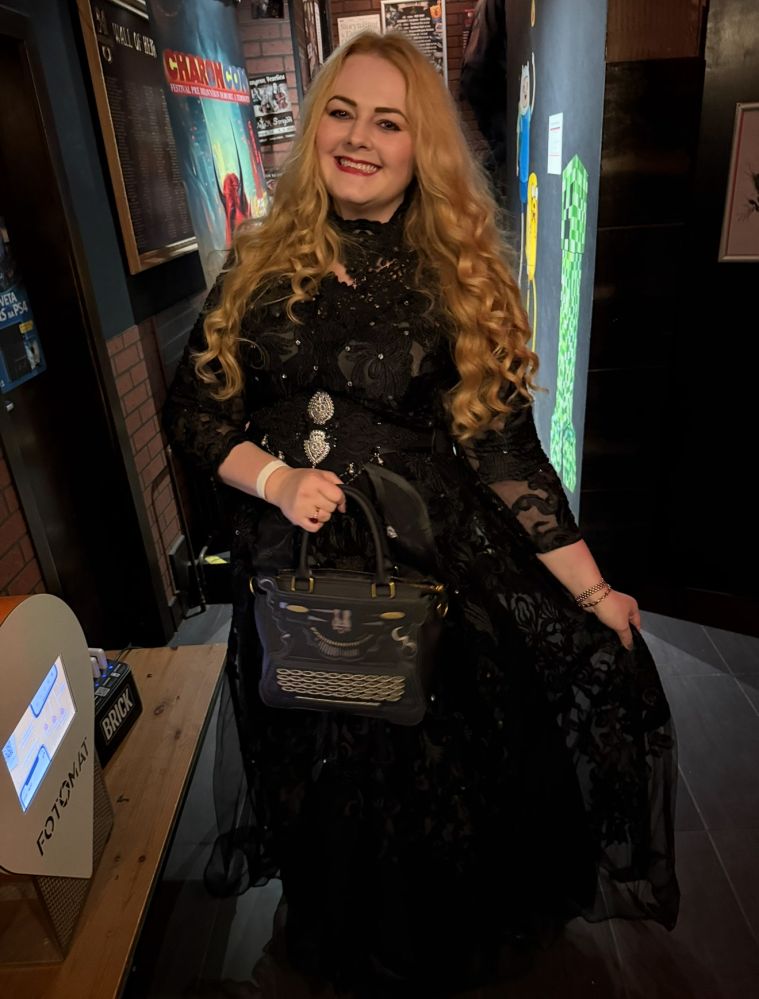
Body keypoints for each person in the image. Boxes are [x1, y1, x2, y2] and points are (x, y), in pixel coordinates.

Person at [164, 31, 679, 997]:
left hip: (430, 585)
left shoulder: (455, 274)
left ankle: (417, 951)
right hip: (298, 587)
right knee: (320, 775)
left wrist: (592, 590)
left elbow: (504, 451)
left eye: (388, 123)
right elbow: (194, 411)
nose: (358, 138)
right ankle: (333, 937)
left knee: (422, 784)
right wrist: (274, 480)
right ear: (315, 128)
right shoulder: (258, 263)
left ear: (421, 148)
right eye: (341, 113)